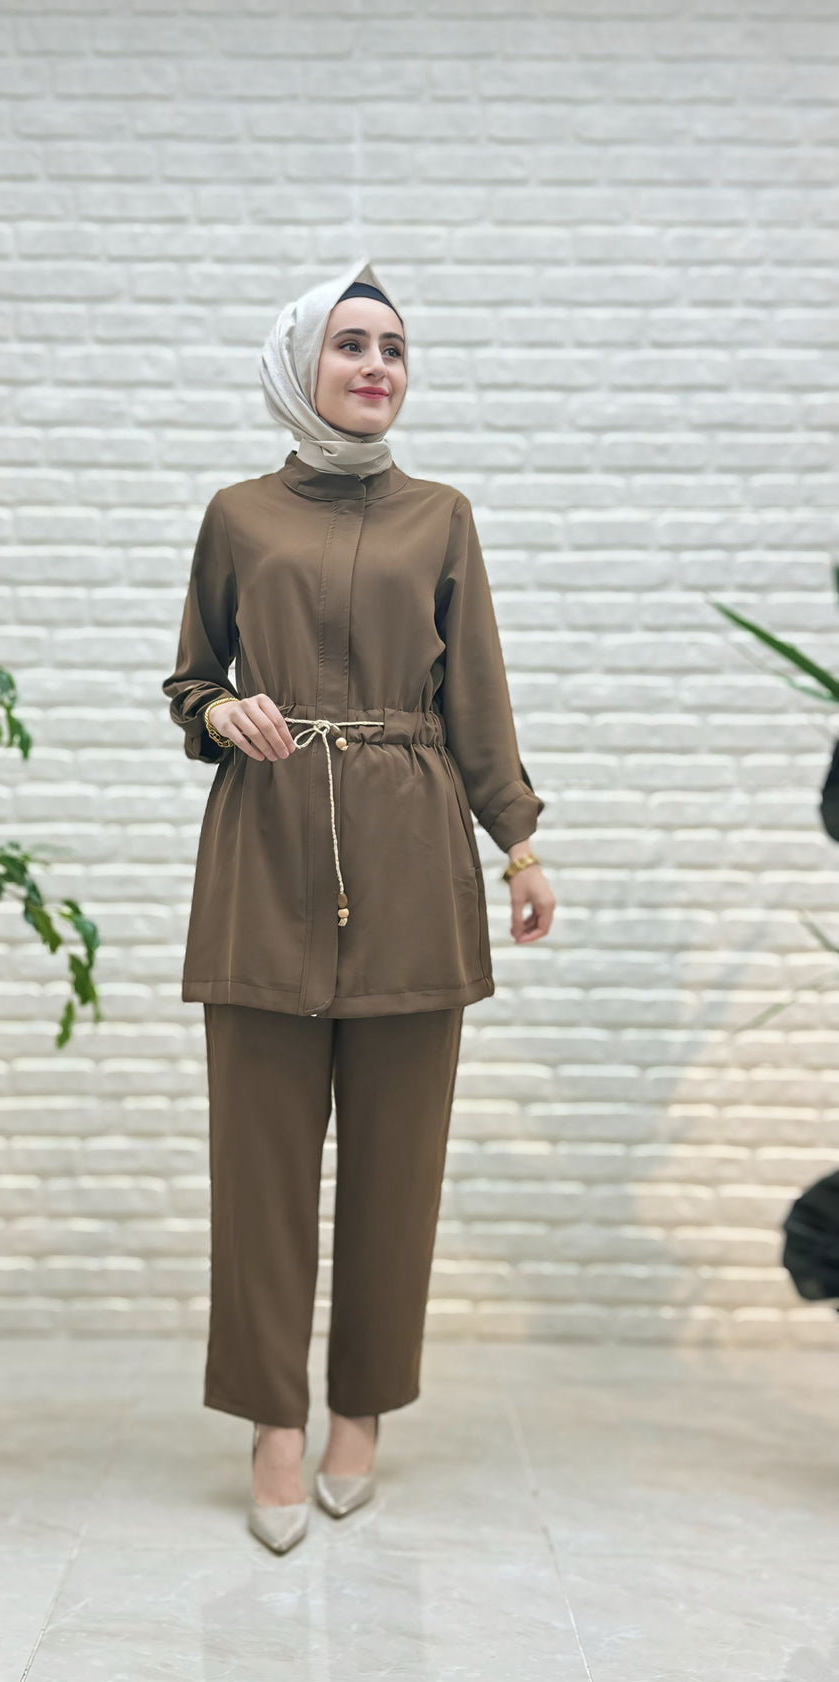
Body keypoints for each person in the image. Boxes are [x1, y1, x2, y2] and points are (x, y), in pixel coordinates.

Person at [161, 255, 556, 1553]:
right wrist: (221, 711)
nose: (376, 365)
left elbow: (476, 694)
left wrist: (519, 844)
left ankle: (360, 1414)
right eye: (351, 344)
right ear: (301, 364)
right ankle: (271, 1424)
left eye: (393, 348)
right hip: (263, 859)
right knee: (259, 1172)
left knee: (397, 1171)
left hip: (410, 863)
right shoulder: (237, 516)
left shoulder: (442, 517)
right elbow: (190, 681)